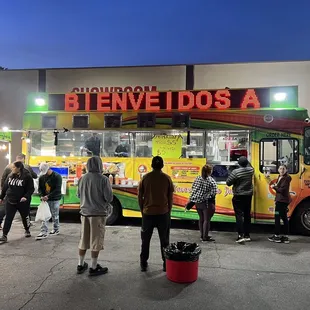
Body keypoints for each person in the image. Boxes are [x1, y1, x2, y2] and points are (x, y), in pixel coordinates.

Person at [77, 156, 113, 276]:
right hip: (98, 214)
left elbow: (78, 195)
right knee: (96, 240)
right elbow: (109, 198)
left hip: (84, 213)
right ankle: (93, 267)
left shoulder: (82, 178)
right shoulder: (103, 179)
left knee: (83, 239)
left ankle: (80, 265)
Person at [138, 156, 174, 272]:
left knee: (145, 240)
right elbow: (170, 198)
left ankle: (143, 263)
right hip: (163, 214)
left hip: (148, 214)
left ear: (152, 165)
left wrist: (142, 210)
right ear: (162, 166)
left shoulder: (145, 178)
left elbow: (140, 196)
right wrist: (169, 211)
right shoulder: (167, 178)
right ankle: (165, 264)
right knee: (164, 240)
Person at [0, 161, 34, 243]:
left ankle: (27, 230)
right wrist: (1, 197)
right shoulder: (10, 175)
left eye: (14, 167)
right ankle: (4, 235)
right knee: (8, 217)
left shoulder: (27, 176)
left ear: (19, 168)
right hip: (10, 200)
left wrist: (25, 197)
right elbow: (5, 187)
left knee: (24, 216)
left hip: (22, 201)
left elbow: (31, 189)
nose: (12, 169)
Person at [0, 154, 37, 228]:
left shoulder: (8, 166)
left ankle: (0, 223)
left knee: (5, 211)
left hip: (14, 195)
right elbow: (35, 176)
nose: (12, 168)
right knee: (24, 213)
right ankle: (26, 226)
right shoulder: (26, 167)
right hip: (17, 196)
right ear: (23, 159)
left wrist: (3, 192)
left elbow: (3, 178)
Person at [226, 156, 254, 243]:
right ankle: (247, 235)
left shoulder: (235, 172)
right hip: (248, 195)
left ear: (239, 164)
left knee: (239, 215)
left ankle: (240, 235)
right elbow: (250, 166)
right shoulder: (251, 170)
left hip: (238, 195)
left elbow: (228, 183)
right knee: (247, 215)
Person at [186, 164, 217, 242]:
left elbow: (193, 188)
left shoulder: (197, 178)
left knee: (201, 219)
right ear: (210, 171)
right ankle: (205, 237)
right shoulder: (211, 180)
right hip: (206, 203)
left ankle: (202, 235)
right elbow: (214, 192)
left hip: (197, 202)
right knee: (207, 220)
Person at [36, 163, 62, 240]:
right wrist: (41, 196)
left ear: (49, 169)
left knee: (55, 215)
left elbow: (57, 189)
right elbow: (40, 188)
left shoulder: (57, 176)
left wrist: (48, 196)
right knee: (45, 216)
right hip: (45, 199)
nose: (45, 174)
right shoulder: (42, 177)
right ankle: (43, 232)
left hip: (55, 199)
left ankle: (56, 229)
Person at [268, 165, 292, 244]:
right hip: (280, 201)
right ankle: (285, 237)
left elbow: (282, 190)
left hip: (282, 201)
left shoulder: (286, 178)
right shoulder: (280, 177)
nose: (282, 170)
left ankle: (277, 236)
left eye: (283, 169)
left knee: (277, 217)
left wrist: (274, 187)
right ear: (278, 170)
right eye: (280, 168)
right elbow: (278, 187)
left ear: (286, 170)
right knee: (284, 217)